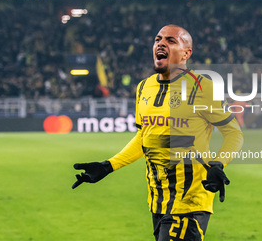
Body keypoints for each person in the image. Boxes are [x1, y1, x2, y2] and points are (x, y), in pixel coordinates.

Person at [72, 24, 244, 241]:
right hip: (157, 201)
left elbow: (234, 133)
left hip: (189, 201)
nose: (161, 43)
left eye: (171, 40)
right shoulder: (144, 87)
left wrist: (219, 163)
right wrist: (109, 166)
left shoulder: (203, 88)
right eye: (157, 39)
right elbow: (144, 137)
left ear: (186, 53)